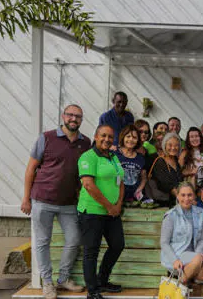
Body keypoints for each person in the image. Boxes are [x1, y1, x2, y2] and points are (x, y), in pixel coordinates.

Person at [21, 104, 90, 299]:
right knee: (42, 242)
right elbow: (30, 169)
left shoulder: (85, 143)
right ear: (63, 116)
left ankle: (64, 279)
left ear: (81, 119)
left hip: (69, 202)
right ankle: (48, 283)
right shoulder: (46, 138)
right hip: (42, 199)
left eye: (78, 116)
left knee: (75, 238)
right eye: (70, 115)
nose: (73, 119)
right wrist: (26, 198)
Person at [77, 125, 125, 298]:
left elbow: (120, 181)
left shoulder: (113, 157)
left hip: (112, 212)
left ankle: (102, 280)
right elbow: (88, 185)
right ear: (96, 136)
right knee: (91, 251)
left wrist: (118, 204)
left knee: (118, 245)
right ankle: (93, 290)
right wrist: (109, 206)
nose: (107, 139)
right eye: (103, 135)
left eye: (110, 137)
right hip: (92, 212)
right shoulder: (88, 157)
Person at [160, 182, 203, 285]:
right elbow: (164, 243)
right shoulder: (170, 215)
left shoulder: (200, 213)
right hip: (177, 256)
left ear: (194, 196)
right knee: (198, 261)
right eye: (183, 195)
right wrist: (174, 260)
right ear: (178, 196)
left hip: (193, 256)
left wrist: (197, 256)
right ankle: (183, 282)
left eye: (189, 195)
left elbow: (202, 239)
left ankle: (183, 278)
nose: (186, 198)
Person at [147, 133, 182, 207]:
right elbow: (167, 184)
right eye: (170, 145)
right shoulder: (160, 161)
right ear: (164, 145)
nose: (173, 148)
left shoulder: (175, 160)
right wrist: (182, 199)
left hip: (174, 201)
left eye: (176, 145)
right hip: (161, 203)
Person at [115, 125, 148, 202]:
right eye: (128, 136)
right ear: (123, 137)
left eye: (134, 137)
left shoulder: (141, 158)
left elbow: (144, 178)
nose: (131, 139)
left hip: (132, 198)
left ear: (137, 140)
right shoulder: (114, 154)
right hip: (115, 196)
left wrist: (138, 191)